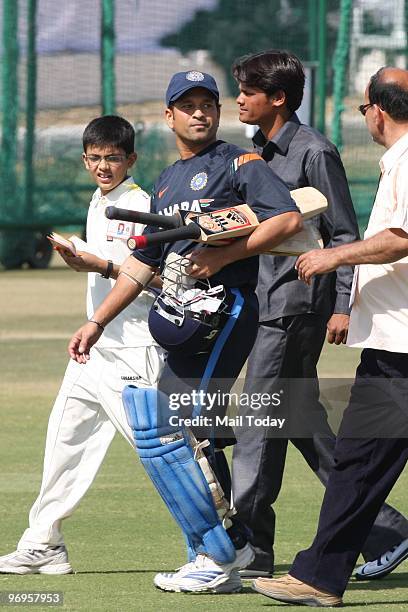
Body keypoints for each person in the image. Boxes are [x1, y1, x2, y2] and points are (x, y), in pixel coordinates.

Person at [67, 70, 303, 594]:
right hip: (182, 317)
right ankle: (227, 545)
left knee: (182, 427)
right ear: (169, 115)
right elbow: (141, 264)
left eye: (208, 104)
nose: (200, 113)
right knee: (166, 428)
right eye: (188, 105)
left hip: (228, 309)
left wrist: (222, 255)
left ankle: (219, 556)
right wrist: (96, 321)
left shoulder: (240, 161)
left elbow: (287, 219)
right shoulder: (167, 182)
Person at [230, 49, 408, 579]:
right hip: (263, 303)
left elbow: (346, 235)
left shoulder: (314, 151)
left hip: (296, 306)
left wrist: (339, 303)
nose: (237, 99)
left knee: (259, 420)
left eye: (248, 89)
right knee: (301, 420)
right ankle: (388, 531)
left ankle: (251, 550)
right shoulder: (252, 154)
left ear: (278, 97)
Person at [0, 115, 165, 575]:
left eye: (113, 158)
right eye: (95, 158)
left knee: (166, 453)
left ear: (131, 159)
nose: (104, 166)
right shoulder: (98, 202)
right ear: (84, 160)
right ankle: (43, 542)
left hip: (135, 349)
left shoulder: (143, 205)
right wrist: (83, 262)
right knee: (65, 441)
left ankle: (228, 535)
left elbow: (157, 281)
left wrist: (100, 265)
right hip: (94, 348)